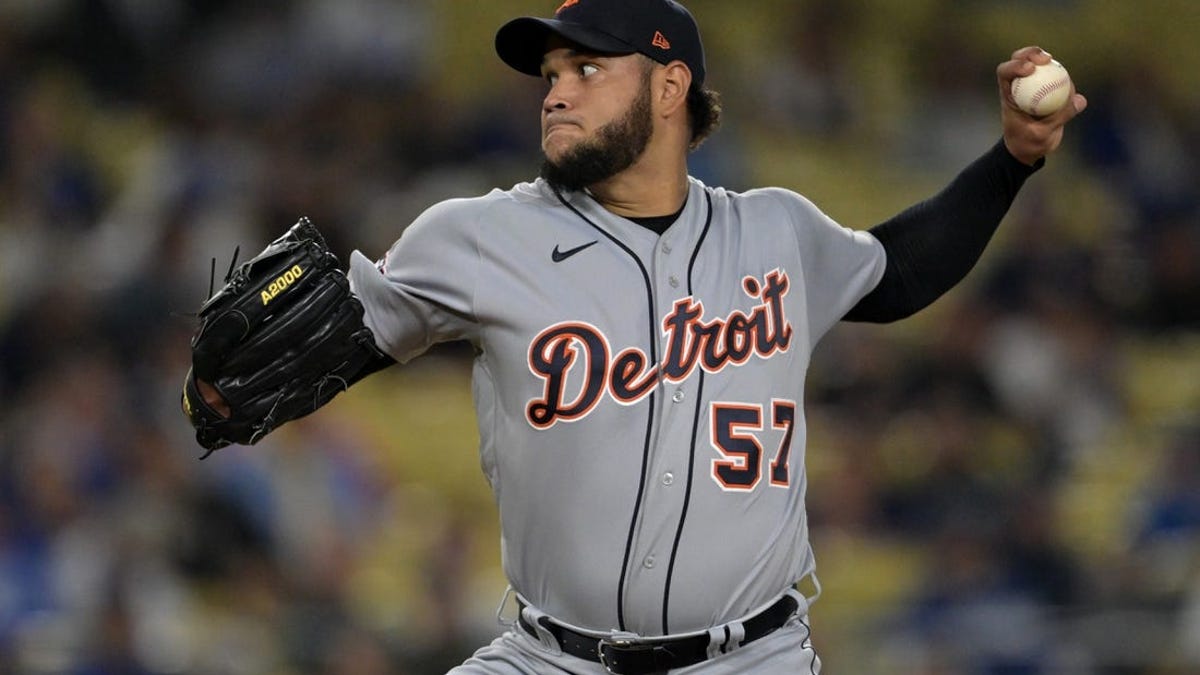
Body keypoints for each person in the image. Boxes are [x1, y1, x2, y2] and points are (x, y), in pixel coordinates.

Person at [191, 0, 1085, 672]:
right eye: (550, 76)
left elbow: (900, 270)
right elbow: (336, 345)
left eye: (587, 70)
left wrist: (1011, 160)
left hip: (752, 658)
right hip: (550, 656)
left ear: (669, 86)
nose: (556, 94)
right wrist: (220, 392)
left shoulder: (776, 232)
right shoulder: (476, 237)